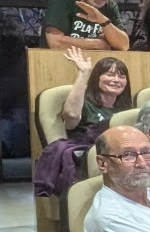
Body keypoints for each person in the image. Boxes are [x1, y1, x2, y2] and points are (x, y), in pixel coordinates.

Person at [33, 48, 128, 198]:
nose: (116, 80)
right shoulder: (85, 105)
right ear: (97, 78)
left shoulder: (125, 111)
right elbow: (71, 116)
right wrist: (83, 74)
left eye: (121, 76)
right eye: (110, 74)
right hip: (90, 159)